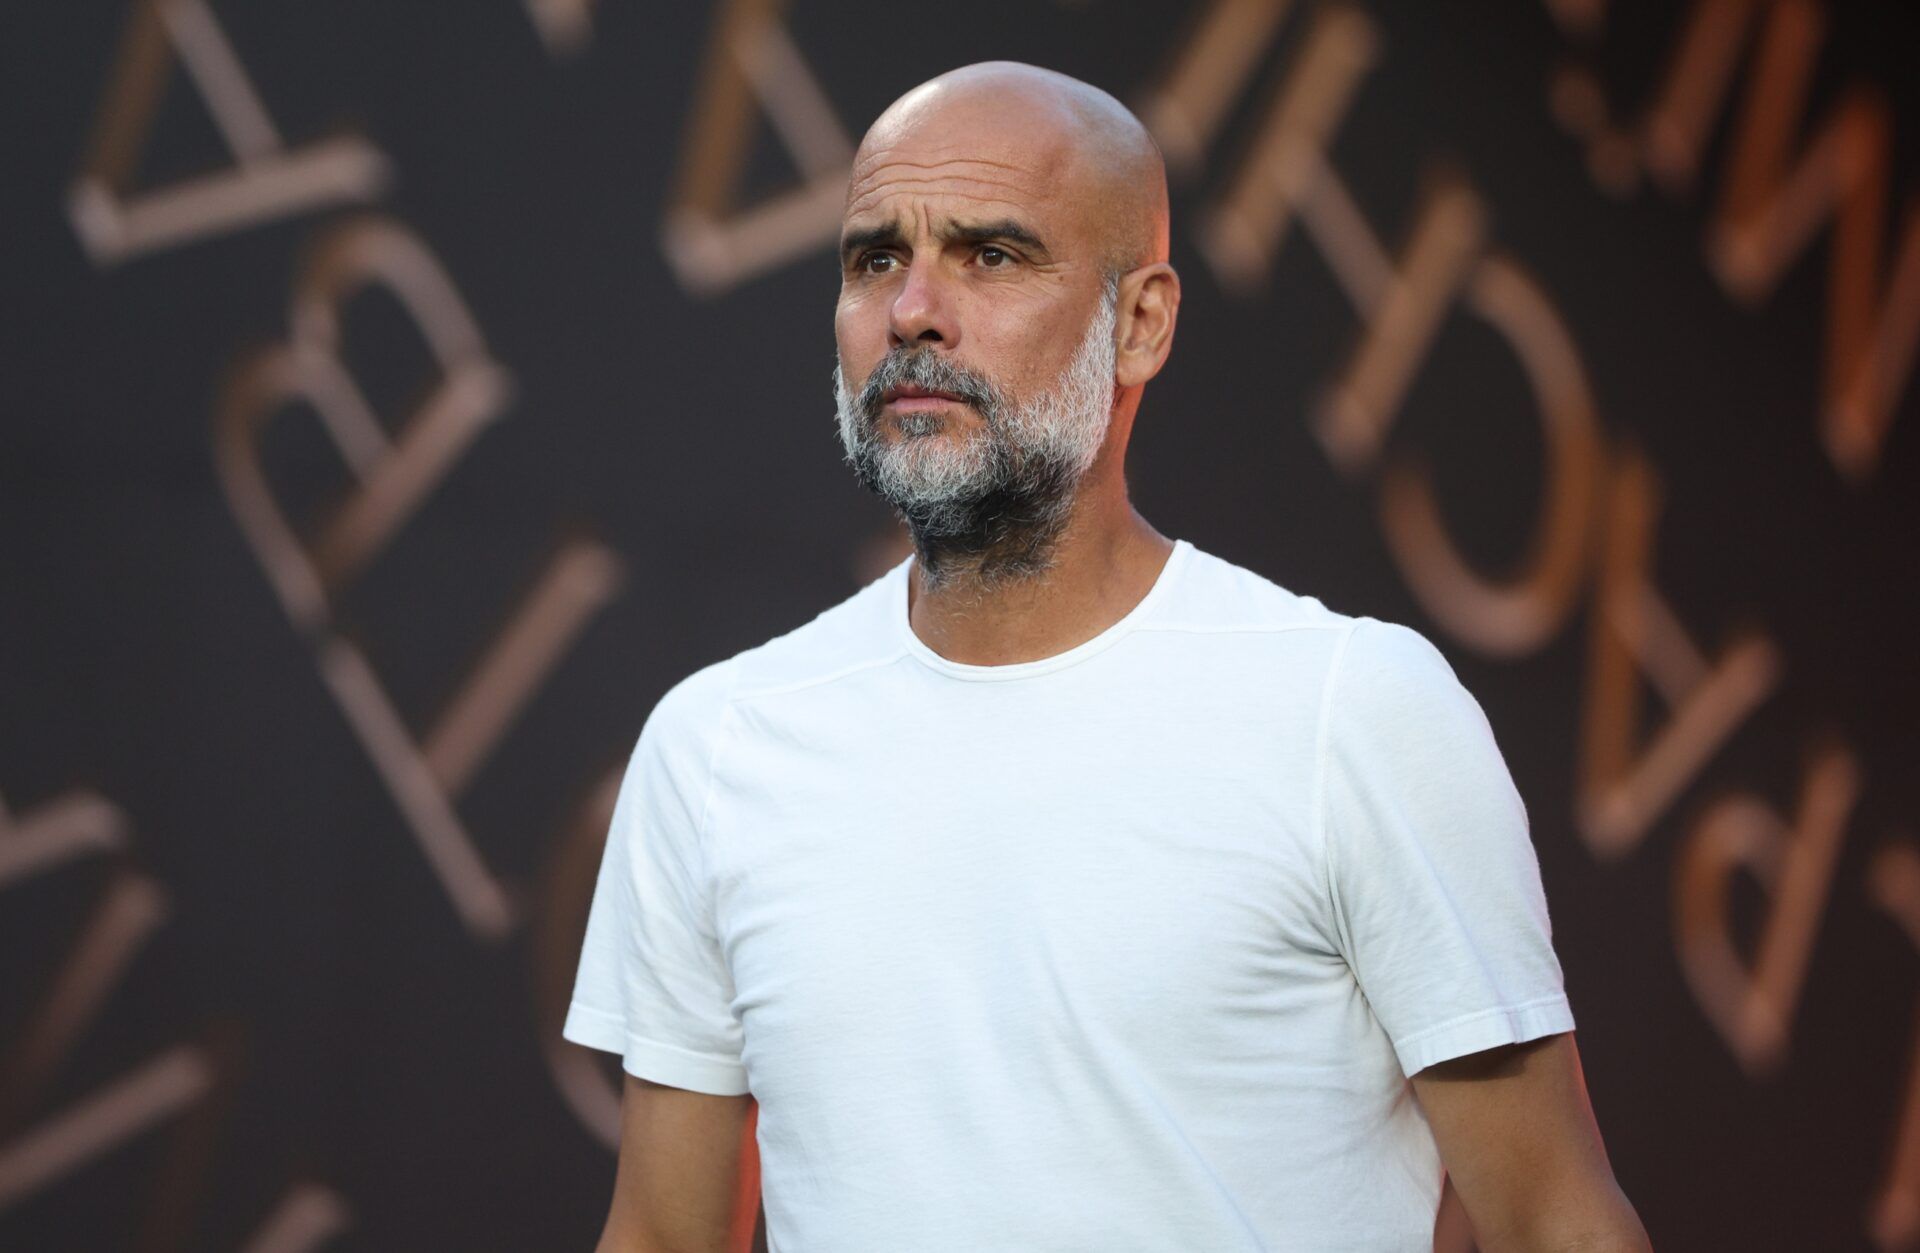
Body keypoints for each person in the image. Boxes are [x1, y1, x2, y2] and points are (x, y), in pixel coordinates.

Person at [565, 60, 1652, 1253]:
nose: (913, 310)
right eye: (875, 258)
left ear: (1140, 324)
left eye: (991, 254)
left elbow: (1560, 1223)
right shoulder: (716, 747)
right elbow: (661, 1235)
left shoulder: (1351, 713)